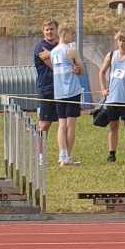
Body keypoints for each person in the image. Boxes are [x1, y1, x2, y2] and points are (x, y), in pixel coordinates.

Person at [92, 27, 125, 163]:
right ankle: (112, 154)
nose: (123, 43)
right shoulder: (111, 55)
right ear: (117, 41)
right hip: (112, 98)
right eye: (121, 40)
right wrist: (103, 88)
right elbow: (102, 72)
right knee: (113, 126)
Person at [49, 23, 90, 166]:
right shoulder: (71, 50)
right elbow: (82, 70)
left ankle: (63, 155)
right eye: (72, 34)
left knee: (62, 125)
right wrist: (77, 68)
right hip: (72, 91)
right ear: (64, 33)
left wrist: (75, 69)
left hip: (59, 92)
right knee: (70, 125)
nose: (73, 37)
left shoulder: (53, 52)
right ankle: (67, 156)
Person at [32, 17, 59, 140]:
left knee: (64, 123)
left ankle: (64, 151)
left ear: (57, 30)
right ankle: (39, 150)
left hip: (62, 89)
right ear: (43, 31)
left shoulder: (60, 46)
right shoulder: (40, 47)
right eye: (47, 29)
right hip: (47, 88)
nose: (50, 32)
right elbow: (56, 67)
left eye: (52, 29)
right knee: (44, 124)